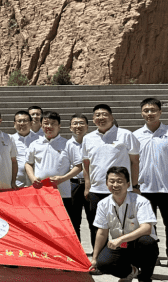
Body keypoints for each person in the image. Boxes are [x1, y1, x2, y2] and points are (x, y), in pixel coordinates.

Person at [135, 97, 168, 268]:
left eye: (153, 110)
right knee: (148, 225)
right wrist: (134, 185)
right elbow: (133, 162)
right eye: (146, 110)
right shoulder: (136, 135)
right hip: (144, 187)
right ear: (141, 113)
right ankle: (153, 256)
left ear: (160, 112)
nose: (149, 113)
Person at [91, 166, 159, 282]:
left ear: (128, 184)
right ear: (106, 183)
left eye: (119, 181)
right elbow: (102, 232)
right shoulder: (103, 204)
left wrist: (121, 239)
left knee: (147, 242)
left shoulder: (141, 201)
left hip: (138, 244)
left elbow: (146, 228)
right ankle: (130, 272)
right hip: (121, 246)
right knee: (103, 264)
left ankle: (145, 280)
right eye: (111, 181)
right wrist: (94, 259)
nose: (115, 185)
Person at [82, 104, 140, 249]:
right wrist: (88, 186)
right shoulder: (88, 138)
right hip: (97, 190)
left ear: (112, 117)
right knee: (97, 227)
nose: (101, 117)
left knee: (124, 226)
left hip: (120, 190)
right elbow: (86, 164)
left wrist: (134, 185)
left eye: (104, 114)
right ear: (93, 119)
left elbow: (135, 161)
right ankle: (100, 256)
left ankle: (124, 256)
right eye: (97, 115)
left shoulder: (125, 135)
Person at [25, 111, 84, 233]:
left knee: (66, 227)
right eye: (46, 123)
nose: (49, 126)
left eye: (53, 123)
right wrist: (32, 178)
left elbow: (78, 166)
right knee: (43, 226)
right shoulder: (35, 144)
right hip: (41, 192)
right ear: (41, 125)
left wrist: (63, 178)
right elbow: (28, 163)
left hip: (63, 194)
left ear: (59, 126)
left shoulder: (67, 144)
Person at [67, 114, 89, 247]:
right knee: (74, 221)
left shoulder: (92, 142)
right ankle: (77, 251)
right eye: (75, 123)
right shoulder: (66, 144)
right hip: (73, 184)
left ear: (87, 126)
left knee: (94, 220)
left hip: (91, 185)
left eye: (81, 123)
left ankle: (98, 253)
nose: (78, 126)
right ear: (70, 127)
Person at [10, 110, 37, 188]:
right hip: (15, 183)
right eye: (19, 121)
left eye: (25, 121)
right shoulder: (9, 140)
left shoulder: (39, 140)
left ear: (31, 123)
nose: (22, 123)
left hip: (36, 182)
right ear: (14, 124)